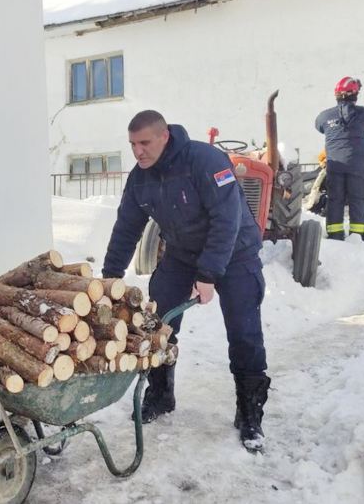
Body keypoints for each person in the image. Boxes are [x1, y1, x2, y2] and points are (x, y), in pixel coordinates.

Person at [102, 110, 270, 452]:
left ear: (164, 136)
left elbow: (227, 219)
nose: (138, 151)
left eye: (145, 143)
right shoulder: (140, 178)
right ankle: (162, 394)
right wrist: (110, 277)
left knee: (244, 330)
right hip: (182, 253)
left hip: (235, 251)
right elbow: (126, 228)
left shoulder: (205, 160)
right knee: (157, 321)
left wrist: (208, 274)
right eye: (133, 144)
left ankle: (249, 412)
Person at [315, 77, 364, 241]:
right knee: (358, 199)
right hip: (357, 166)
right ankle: (358, 236)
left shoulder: (325, 116)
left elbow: (319, 126)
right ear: (355, 94)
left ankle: (335, 235)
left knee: (335, 200)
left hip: (334, 167)